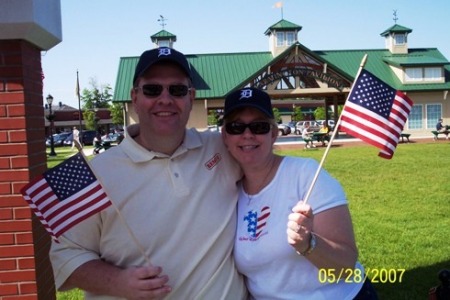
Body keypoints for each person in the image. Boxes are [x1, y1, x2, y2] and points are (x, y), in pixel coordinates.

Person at [49, 47, 247, 299]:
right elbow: (66, 256)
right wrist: (117, 282)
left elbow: (269, 169)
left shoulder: (222, 148)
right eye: (153, 89)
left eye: (177, 90)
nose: (165, 99)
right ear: (135, 97)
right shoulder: (90, 174)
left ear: (191, 97)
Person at [221, 87, 378, 299]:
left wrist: (308, 245)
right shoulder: (229, 191)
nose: (248, 134)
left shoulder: (305, 174)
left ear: (274, 133)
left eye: (259, 126)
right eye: (236, 127)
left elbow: (346, 265)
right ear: (224, 136)